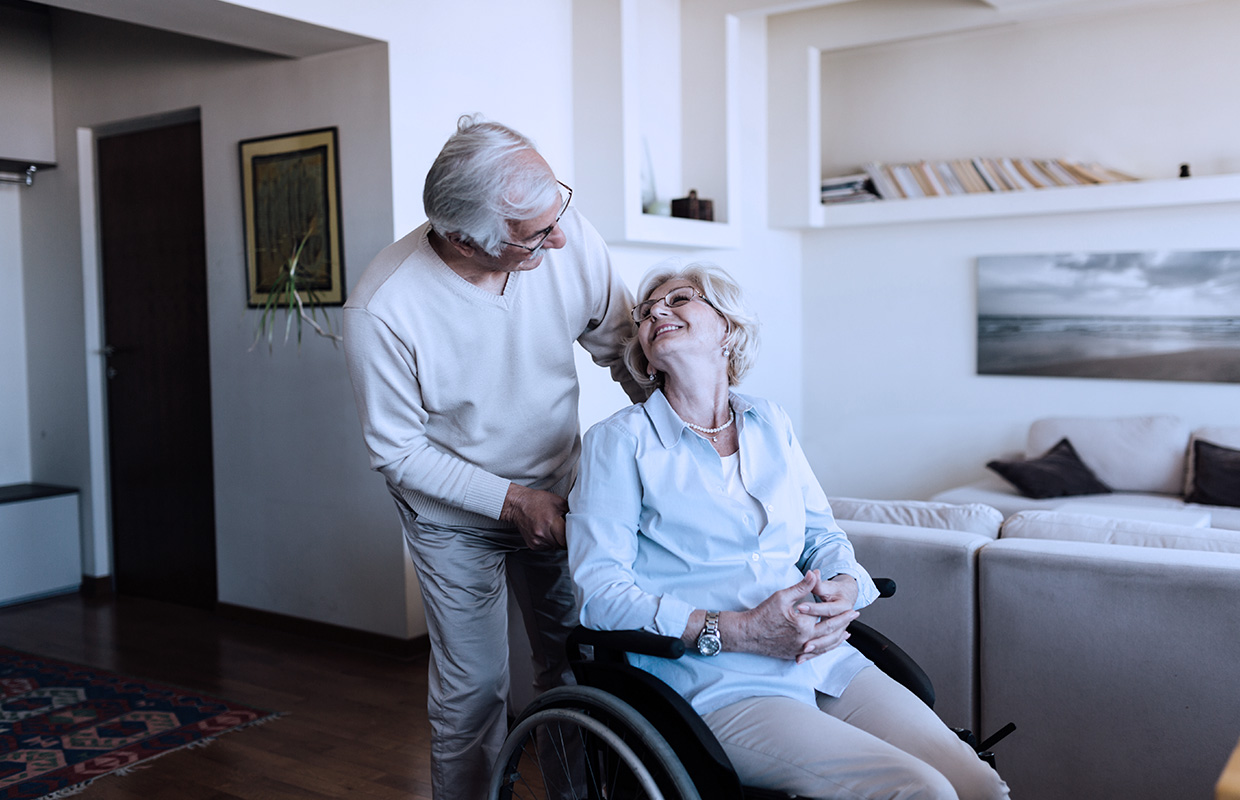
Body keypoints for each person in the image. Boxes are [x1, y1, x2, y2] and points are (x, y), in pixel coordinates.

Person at [567, 263, 1010, 800]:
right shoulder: (619, 442)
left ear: (727, 328)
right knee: (921, 790)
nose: (655, 312)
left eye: (679, 299)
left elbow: (822, 536)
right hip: (717, 686)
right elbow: (600, 595)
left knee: (978, 784)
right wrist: (739, 631)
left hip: (822, 660)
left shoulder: (770, 422)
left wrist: (845, 585)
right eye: (644, 311)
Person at [342, 115, 646, 800]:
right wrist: (510, 501)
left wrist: (683, 433)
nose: (559, 236)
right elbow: (397, 450)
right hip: (453, 513)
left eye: (558, 211)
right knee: (473, 691)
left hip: (562, 494)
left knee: (574, 667)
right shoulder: (384, 309)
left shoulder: (566, 240)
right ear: (460, 237)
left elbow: (624, 348)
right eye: (534, 233)